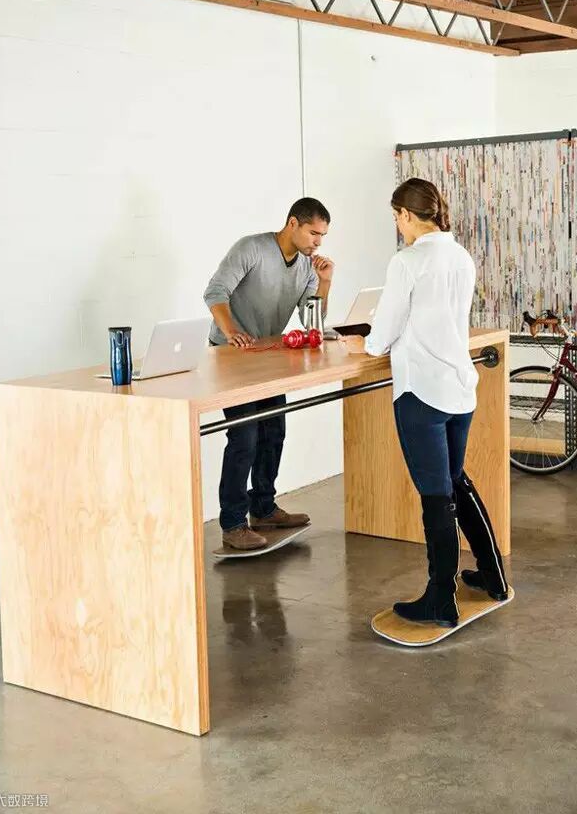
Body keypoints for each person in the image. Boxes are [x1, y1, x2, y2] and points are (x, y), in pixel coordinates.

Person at [364, 177, 509, 627]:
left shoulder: (406, 261)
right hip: (459, 389)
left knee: (436, 495)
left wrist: (367, 343)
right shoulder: (460, 256)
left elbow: (382, 335)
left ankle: (440, 599)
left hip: (421, 392)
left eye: (397, 218)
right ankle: (493, 576)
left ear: (407, 215)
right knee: (455, 481)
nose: (398, 226)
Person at [203, 198, 335, 552]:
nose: (317, 242)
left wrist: (324, 282)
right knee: (244, 436)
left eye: (322, 236)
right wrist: (231, 332)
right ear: (293, 223)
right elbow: (215, 292)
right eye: (313, 233)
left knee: (274, 430)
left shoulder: (307, 267)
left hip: (265, 355)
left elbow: (311, 321)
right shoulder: (251, 248)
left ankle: (263, 508)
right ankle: (233, 523)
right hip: (231, 355)